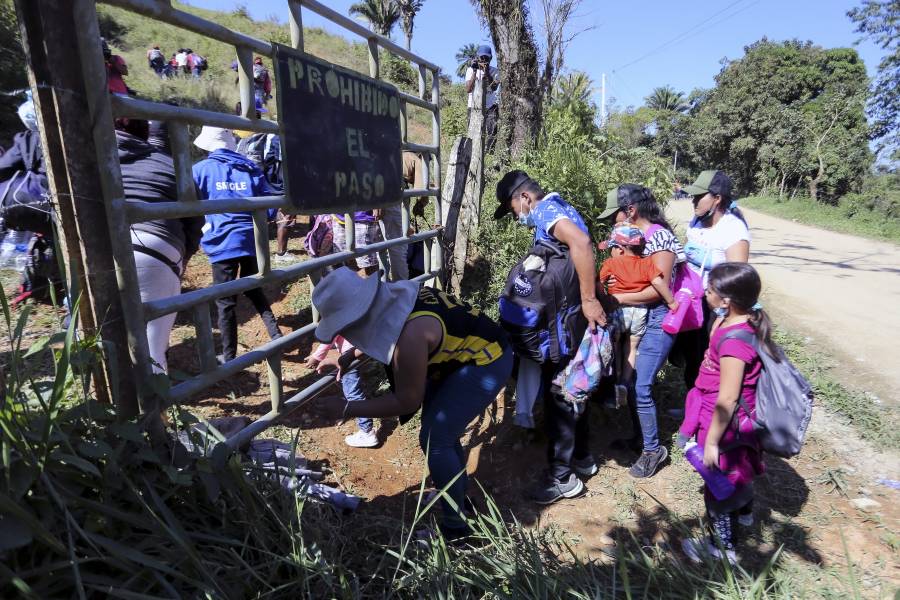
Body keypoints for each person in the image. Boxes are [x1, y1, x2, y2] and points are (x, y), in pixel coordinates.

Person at [311, 268, 512, 540]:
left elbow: (407, 401)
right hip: (465, 354)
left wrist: (348, 409)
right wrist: (346, 358)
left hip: (486, 361)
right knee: (440, 432)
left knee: (435, 438)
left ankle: (458, 530)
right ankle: (457, 497)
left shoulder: (411, 335)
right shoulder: (397, 296)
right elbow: (384, 328)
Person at [493, 170, 606, 504]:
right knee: (573, 387)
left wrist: (589, 300)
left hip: (563, 320)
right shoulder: (562, 205)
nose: (516, 216)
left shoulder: (545, 211)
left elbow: (582, 244)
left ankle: (562, 478)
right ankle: (583, 457)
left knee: (559, 393)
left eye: (513, 208)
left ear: (524, 198)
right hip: (567, 315)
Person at [678, 262, 770, 565]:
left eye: (711, 289)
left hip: (723, 422)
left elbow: (728, 398)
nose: (705, 292)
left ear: (727, 299)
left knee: (720, 481)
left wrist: (713, 442)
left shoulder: (735, 342)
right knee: (739, 469)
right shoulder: (729, 320)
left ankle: (721, 547)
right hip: (720, 413)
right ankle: (744, 515)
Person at [598, 184, 685, 478]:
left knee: (642, 384)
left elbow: (657, 290)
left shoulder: (659, 238)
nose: (613, 222)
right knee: (633, 380)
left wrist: (617, 298)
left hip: (659, 317)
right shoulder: (637, 239)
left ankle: (653, 450)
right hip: (641, 316)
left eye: (616, 216)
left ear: (631, 211)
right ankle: (639, 438)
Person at [117, 117, 203, 373]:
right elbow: (195, 221)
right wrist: (183, 259)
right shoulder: (170, 164)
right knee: (154, 348)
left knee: (102, 335)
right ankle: (155, 408)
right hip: (157, 251)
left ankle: (107, 408)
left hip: (99, 250)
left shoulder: (89, 160)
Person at [192, 126, 282, 363]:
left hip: (222, 242)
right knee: (254, 287)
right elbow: (271, 206)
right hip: (251, 240)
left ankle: (229, 356)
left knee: (225, 300)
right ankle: (276, 334)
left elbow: (189, 207)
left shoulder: (200, 170)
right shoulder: (251, 167)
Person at [676, 170, 751, 389]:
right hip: (692, 302)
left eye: (699, 197)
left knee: (710, 361)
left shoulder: (733, 229)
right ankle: (692, 405)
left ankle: (709, 412)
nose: (693, 201)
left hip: (714, 308)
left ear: (717, 198)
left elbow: (737, 281)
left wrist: (722, 317)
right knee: (692, 358)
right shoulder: (697, 222)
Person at [598, 224, 678, 408]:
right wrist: (671, 302)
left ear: (619, 248)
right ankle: (625, 382)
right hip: (640, 310)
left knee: (616, 344)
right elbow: (658, 283)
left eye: (611, 248)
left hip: (618, 310)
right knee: (632, 347)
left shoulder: (610, 264)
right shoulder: (647, 263)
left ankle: (615, 378)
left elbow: (599, 285)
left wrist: (602, 296)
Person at [305, 335, 379, 448]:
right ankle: (363, 424)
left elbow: (330, 336)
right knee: (351, 387)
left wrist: (316, 356)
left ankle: (367, 432)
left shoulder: (337, 317)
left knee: (353, 393)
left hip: (350, 353)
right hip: (358, 347)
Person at [464, 45, 500, 152]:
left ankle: (488, 154)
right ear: (478, 57)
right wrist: (475, 71)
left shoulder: (495, 71)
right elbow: (468, 89)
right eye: (482, 57)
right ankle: (472, 154)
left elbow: (494, 87)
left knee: (492, 132)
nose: (484, 60)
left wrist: (487, 71)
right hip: (473, 106)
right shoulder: (471, 70)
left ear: (490, 59)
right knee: (472, 133)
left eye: (486, 58)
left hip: (490, 107)